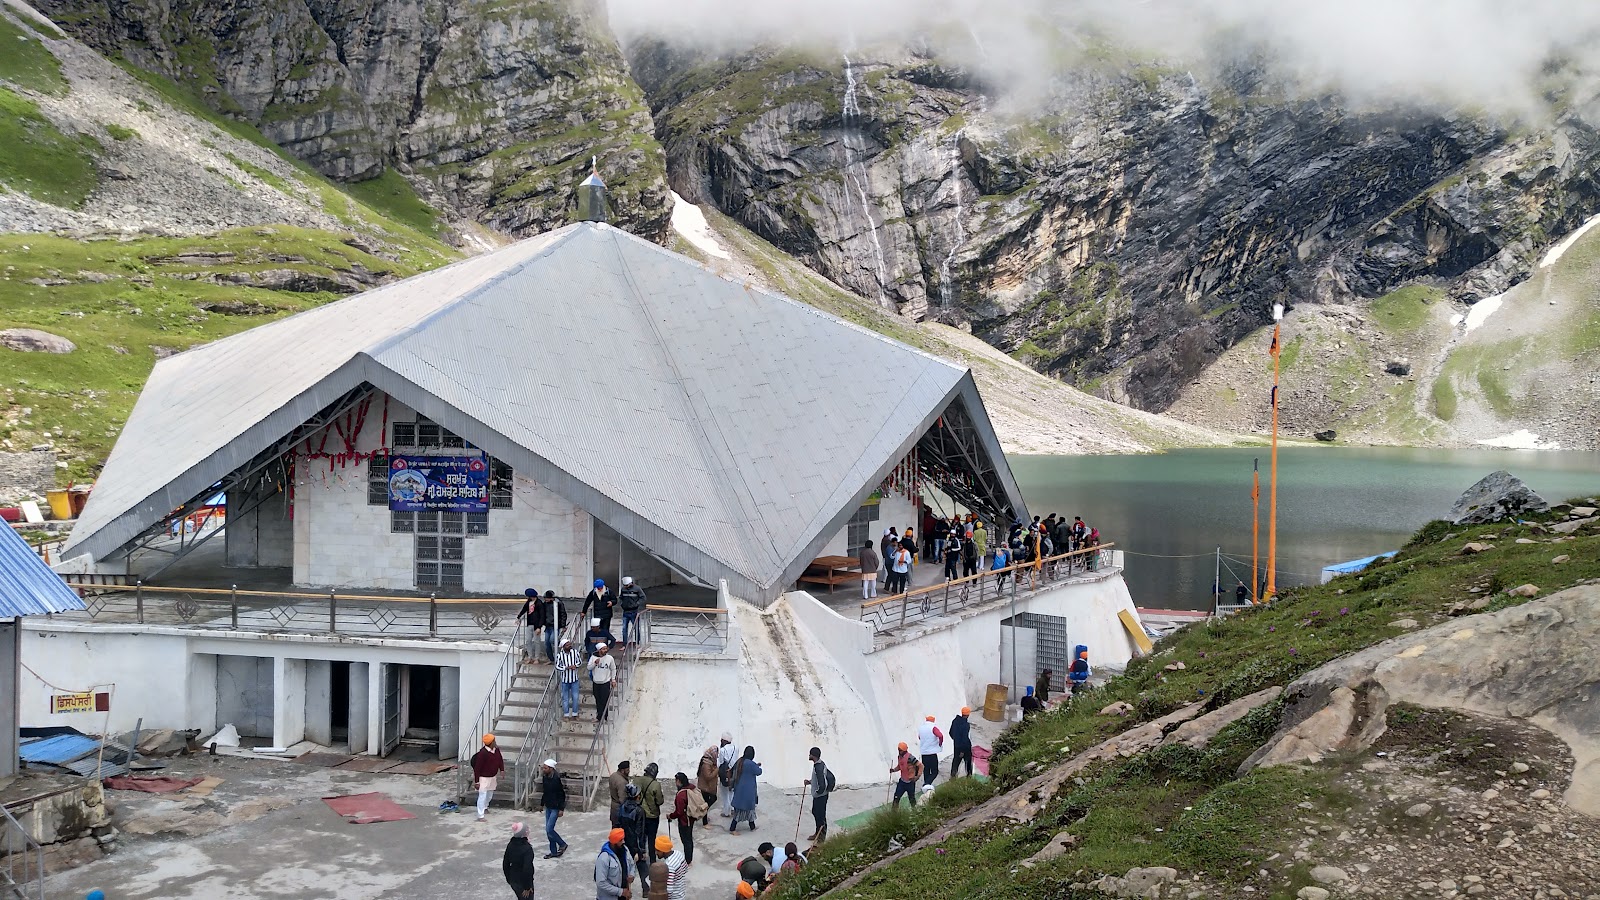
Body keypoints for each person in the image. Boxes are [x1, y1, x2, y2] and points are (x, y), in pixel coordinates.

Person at [665, 772, 700, 864]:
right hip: (691, 818)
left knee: (686, 840)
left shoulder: (681, 795)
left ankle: (688, 861)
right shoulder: (691, 788)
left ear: (679, 781)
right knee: (689, 839)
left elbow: (679, 812)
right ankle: (689, 859)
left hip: (684, 821)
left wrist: (671, 816)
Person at [634, 762, 665, 861]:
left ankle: (641, 855)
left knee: (640, 836)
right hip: (652, 816)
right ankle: (652, 860)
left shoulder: (636, 780)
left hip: (639, 814)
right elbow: (660, 801)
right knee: (652, 839)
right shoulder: (655, 785)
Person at [540, 758, 569, 859]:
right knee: (549, 831)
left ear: (551, 768)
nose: (543, 769)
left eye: (545, 768)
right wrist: (542, 803)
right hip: (548, 806)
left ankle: (562, 844)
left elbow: (562, 794)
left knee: (549, 829)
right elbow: (545, 791)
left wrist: (561, 809)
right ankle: (553, 851)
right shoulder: (545, 777)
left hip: (555, 807)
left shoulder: (556, 779)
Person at [729, 745, 761, 833]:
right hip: (748, 791)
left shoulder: (740, 761)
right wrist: (757, 766)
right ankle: (732, 829)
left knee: (743, 810)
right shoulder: (751, 764)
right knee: (747, 810)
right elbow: (759, 772)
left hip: (739, 789)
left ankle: (752, 826)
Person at [472, 733, 505, 821]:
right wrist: (477, 781)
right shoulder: (482, 753)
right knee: (482, 795)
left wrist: (502, 769)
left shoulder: (496, 750)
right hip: (483, 778)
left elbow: (500, 759)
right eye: (494, 740)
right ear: (491, 742)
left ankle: (485, 807)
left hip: (492, 776)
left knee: (490, 794)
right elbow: (477, 768)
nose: (495, 742)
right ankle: (480, 815)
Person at [594, 827, 633, 900]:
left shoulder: (625, 850)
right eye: (621, 840)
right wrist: (620, 892)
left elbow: (631, 864)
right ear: (614, 843)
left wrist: (631, 874)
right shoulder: (604, 858)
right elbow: (601, 883)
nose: (623, 842)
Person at [801, 746, 831, 841]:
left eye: (810, 754)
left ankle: (821, 837)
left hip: (820, 796)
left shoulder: (818, 767)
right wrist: (810, 782)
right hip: (821, 795)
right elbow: (818, 779)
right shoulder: (820, 764)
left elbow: (821, 784)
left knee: (820, 815)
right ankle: (818, 833)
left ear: (813, 756)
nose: (809, 755)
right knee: (816, 812)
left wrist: (817, 792)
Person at [503, 821, 536, 900]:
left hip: (513, 879)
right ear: (525, 833)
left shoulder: (510, 844)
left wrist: (509, 879)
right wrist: (527, 886)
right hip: (523, 882)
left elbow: (505, 863)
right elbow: (527, 869)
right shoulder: (527, 849)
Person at [555, 638, 583, 718]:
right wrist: (566, 668)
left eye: (569, 644)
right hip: (565, 680)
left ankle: (575, 713)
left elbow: (580, 662)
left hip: (574, 679)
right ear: (563, 647)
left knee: (575, 697)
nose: (569, 645)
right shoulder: (559, 655)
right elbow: (557, 666)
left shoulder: (575, 652)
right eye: (567, 645)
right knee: (565, 698)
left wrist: (575, 666)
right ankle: (566, 714)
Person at [589, 642, 617, 720]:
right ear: (599, 650)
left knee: (604, 700)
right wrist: (595, 663)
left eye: (606, 649)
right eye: (603, 649)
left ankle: (604, 716)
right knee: (598, 699)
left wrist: (613, 679)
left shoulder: (610, 658)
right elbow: (589, 668)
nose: (605, 650)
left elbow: (613, 668)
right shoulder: (593, 657)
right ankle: (599, 716)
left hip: (605, 682)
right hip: (596, 682)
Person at [889, 742, 921, 808]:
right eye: (898, 750)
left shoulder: (910, 758)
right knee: (896, 798)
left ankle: (915, 812)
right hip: (902, 782)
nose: (899, 751)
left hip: (910, 782)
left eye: (900, 750)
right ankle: (894, 813)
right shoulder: (899, 757)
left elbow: (921, 765)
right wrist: (894, 770)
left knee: (912, 799)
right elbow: (900, 766)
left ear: (904, 750)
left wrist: (917, 776)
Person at [538, 589, 566, 663]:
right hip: (548, 625)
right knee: (547, 643)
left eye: (547, 598)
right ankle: (551, 659)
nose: (545, 599)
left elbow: (563, 614)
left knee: (552, 640)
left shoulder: (558, 603)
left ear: (551, 598)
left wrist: (563, 625)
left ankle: (560, 653)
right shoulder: (545, 604)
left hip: (556, 625)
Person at [618, 576, 647, 645]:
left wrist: (636, 604)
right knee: (624, 629)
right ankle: (624, 644)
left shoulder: (637, 589)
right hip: (625, 611)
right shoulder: (623, 589)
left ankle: (637, 642)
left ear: (630, 583)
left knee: (636, 628)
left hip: (634, 611)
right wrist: (622, 604)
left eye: (626, 585)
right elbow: (621, 597)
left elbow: (643, 597)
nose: (625, 586)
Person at [658, 835, 688, 900]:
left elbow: (669, 890)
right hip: (681, 892)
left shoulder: (669, 865)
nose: (656, 853)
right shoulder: (678, 853)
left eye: (657, 851)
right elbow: (685, 869)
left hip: (674, 897)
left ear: (662, 850)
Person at [696, 747, 720, 827]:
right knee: (707, 803)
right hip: (706, 787)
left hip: (707, 787)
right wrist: (717, 770)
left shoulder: (710, 761)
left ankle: (703, 815)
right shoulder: (706, 764)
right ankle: (705, 822)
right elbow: (708, 776)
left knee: (706, 803)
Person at [717, 733, 739, 818]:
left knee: (725, 793)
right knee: (732, 791)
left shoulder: (722, 750)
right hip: (734, 772)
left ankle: (726, 812)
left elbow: (721, 763)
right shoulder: (736, 748)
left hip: (726, 773)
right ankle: (733, 808)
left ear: (724, 741)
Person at [516, 589, 542, 661]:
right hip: (529, 623)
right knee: (528, 640)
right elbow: (524, 609)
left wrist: (539, 627)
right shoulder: (528, 602)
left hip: (536, 625)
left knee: (537, 641)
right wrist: (518, 617)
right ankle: (530, 656)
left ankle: (537, 658)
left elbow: (542, 615)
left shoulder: (539, 603)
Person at [917, 715, 943, 785]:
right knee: (935, 772)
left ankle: (926, 785)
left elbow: (919, 737)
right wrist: (940, 744)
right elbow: (940, 736)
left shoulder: (921, 728)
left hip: (924, 752)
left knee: (926, 770)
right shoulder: (933, 728)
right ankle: (927, 783)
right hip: (932, 752)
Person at [950, 707, 973, 777]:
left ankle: (953, 775)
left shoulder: (955, 721)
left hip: (956, 746)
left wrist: (956, 740)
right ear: (968, 715)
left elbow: (950, 732)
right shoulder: (966, 725)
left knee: (956, 761)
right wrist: (963, 750)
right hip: (964, 747)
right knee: (968, 761)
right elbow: (964, 738)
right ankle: (969, 775)